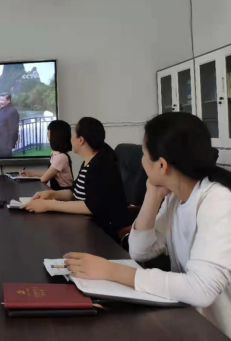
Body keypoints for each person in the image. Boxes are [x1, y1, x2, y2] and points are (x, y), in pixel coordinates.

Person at [62, 113, 231, 338]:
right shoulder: (175, 197)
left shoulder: (218, 200)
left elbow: (201, 289)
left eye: (144, 154)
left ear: (161, 165)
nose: (142, 161)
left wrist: (112, 271)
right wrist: (153, 192)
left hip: (218, 329)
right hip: (190, 320)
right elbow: (140, 251)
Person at [22, 117, 129, 238]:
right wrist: (50, 195)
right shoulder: (88, 162)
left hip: (100, 233)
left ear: (81, 140)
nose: (70, 139)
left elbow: (90, 207)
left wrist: (49, 205)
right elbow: (73, 193)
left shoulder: (101, 166)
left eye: (73, 135)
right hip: (84, 225)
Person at [19, 120, 73, 190]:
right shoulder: (55, 153)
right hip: (57, 190)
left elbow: (44, 178)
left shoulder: (61, 157)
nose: (47, 133)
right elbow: (50, 172)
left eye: (49, 131)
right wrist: (30, 173)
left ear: (56, 135)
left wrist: (30, 176)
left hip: (64, 192)